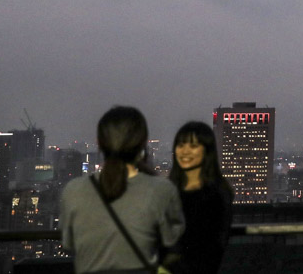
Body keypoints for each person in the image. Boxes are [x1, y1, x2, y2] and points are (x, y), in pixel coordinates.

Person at [61, 106, 185, 273]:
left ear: (99, 143)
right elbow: (172, 242)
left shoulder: (73, 190)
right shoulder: (161, 190)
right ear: (143, 143)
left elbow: (68, 243)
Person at [166, 121, 234, 274]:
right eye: (181, 145)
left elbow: (213, 247)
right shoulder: (169, 190)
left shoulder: (216, 194)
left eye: (193, 146)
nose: (185, 151)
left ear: (207, 151)